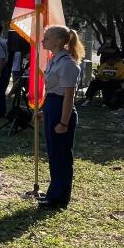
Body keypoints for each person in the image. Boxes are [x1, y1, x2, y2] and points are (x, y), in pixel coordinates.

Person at [38, 25, 85, 210]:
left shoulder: (67, 63)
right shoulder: (55, 60)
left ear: (58, 41)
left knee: (62, 157)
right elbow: (52, 91)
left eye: (47, 38)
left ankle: (60, 198)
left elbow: (68, 96)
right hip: (52, 106)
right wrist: (45, 111)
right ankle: (53, 194)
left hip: (61, 109)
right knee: (54, 154)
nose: (43, 41)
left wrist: (64, 122)